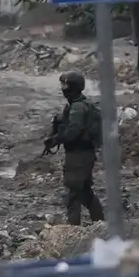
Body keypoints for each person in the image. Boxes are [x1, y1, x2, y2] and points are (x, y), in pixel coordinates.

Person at [43, 72, 106, 225]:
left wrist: (55, 139)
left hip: (79, 156)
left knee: (73, 197)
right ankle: (101, 224)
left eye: (65, 85)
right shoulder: (78, 105)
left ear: (73, 87)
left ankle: (73, 231)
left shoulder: (78, 107)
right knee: (85, 193)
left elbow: (73, 131)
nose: (63, 88)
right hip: (83, 155)